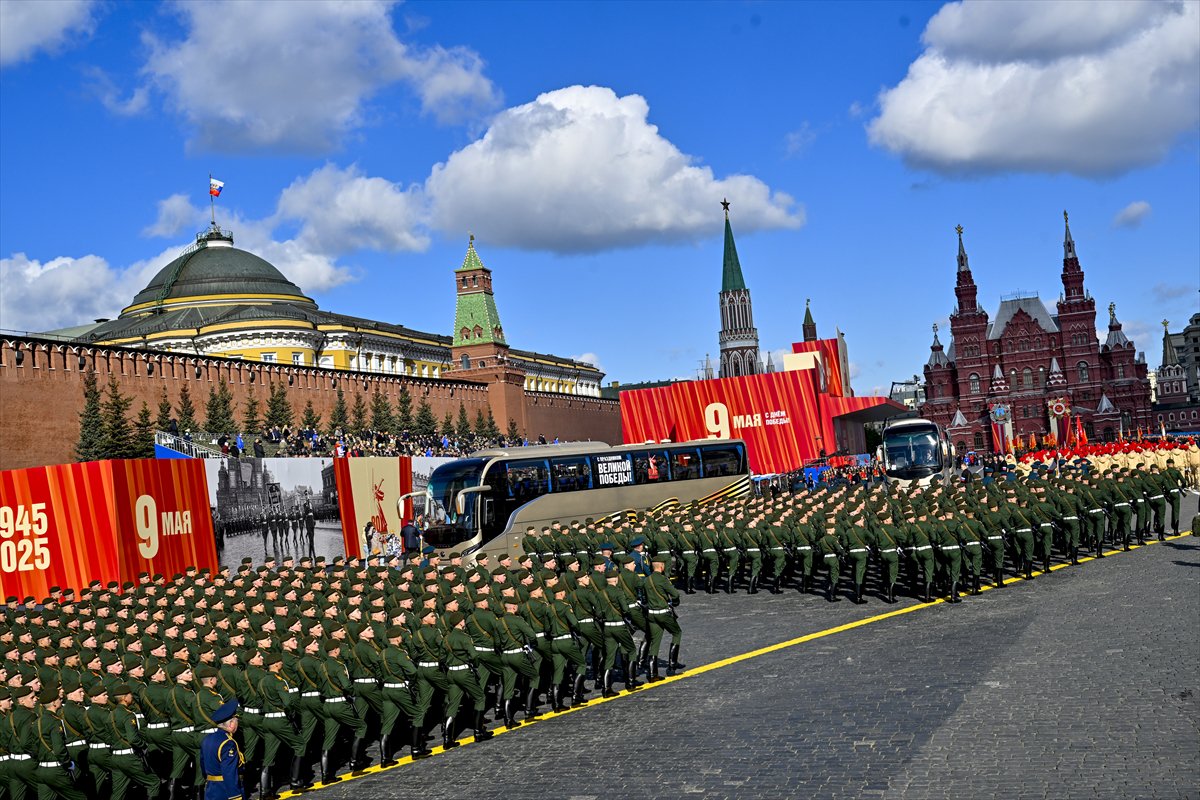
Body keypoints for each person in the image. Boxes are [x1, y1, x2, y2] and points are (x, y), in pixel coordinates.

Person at [199, 699, 242, 800]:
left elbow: (202, 764)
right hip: (225, 791)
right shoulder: (228, 743)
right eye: (236, 721)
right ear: (231, 724)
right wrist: (235, 796)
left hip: (210, 789)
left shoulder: (207, 739)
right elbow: (229, 772)